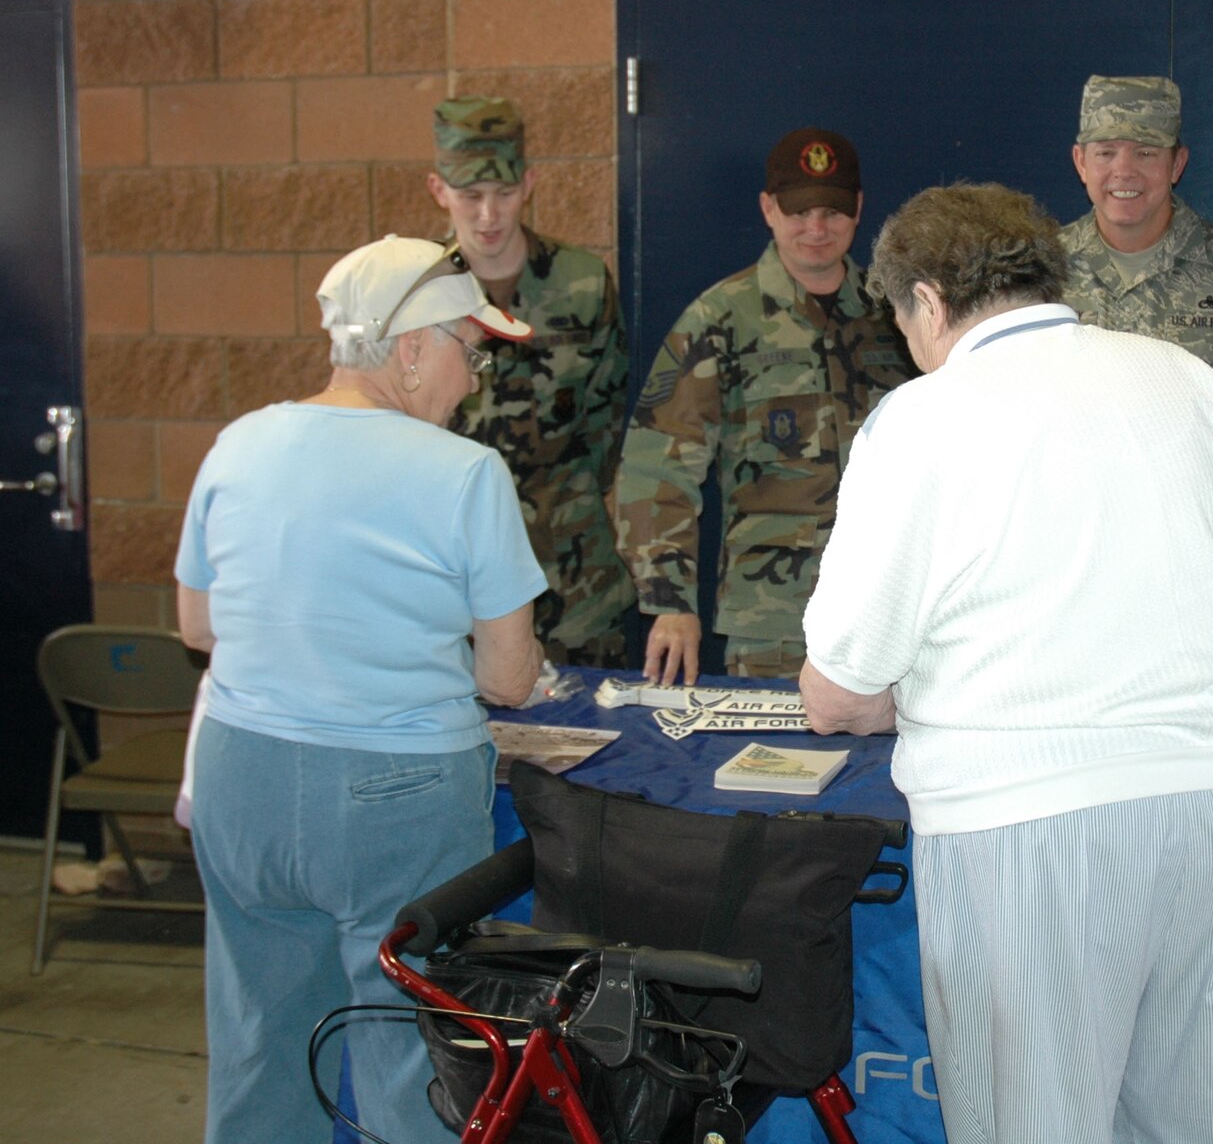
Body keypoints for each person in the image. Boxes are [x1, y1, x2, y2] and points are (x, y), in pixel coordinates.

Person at [801, 183, 1213, 1144]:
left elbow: (840, 688)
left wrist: (911, 695)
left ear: (931, 303)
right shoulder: (1187, 379)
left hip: (1031, 818)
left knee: (1031, 1125)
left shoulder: (919, 419)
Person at [174, 236, 547, 1143]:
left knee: (263, 1042)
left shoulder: (238, 444)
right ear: (411, 347)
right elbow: (508, 677)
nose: (474, 377)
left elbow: (198, 627)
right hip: (396, 798)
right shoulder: (465, 474)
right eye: (470, 348)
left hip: (241, 779)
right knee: (410, 1054)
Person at [615, 127, 914, 684]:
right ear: (768, 209)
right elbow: (655, 468)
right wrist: (669, 601)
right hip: (773, 621)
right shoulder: (719, 320)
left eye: (833, 211)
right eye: (799, 212)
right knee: (773, 766)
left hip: (891, 607)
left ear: (858, 210)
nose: (817, 229)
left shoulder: (895, 316)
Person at [427, 96, 633, 667]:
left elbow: (606, 422)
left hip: (574, 585)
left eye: (505, 194)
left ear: (531, 184)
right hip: (454, 584)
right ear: (438, 190)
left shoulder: (582, 282)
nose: (488, 216)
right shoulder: (416, 292)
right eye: (470, 197)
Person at [1060, 74, 1213, 509]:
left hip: (1200, 539)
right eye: (1106, 152)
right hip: (1070, 538)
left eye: (1145, 152)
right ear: (1081, 162)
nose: (1124, 171)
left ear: (1176, 164)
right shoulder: (1039, 274)